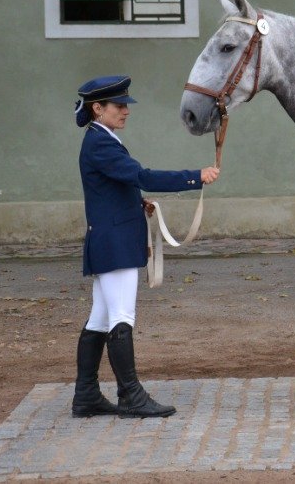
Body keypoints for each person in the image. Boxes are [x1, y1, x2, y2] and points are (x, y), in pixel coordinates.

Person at [71, 75, 219, 419]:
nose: (126, 111)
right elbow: (142, 175)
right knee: (121, 318)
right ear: (98, 109)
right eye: (119, 106)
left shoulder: (100, 139)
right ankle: (131, 396)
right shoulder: (101, 143)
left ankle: (86, 395)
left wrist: (136, 204)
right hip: (115, 244)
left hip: (111, 240)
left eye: (126, 105)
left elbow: (116, 186)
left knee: (100, 318)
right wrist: (195, 175)